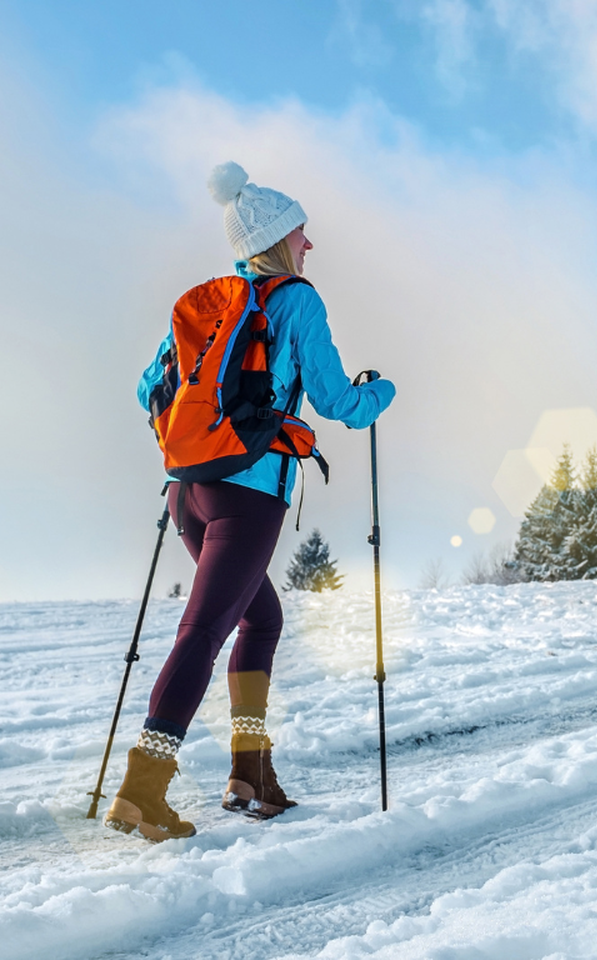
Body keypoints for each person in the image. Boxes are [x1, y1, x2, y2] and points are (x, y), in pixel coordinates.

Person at [104, 161, 396, 841]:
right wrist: (381, 393)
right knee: (203, 632)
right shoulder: (297, 301)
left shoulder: (211, 304)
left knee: (259, 620)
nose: (309, 246)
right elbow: (338, 402)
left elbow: (150, 386)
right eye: (301, 234)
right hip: (249, 496)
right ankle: (143, 790)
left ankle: (249, 771)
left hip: (188, 493)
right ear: (276, 239)